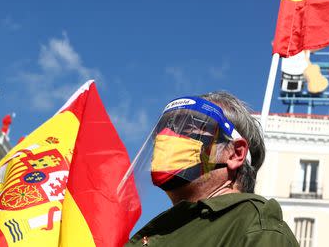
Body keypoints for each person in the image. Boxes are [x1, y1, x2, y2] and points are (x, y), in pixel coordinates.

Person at [125, 91, 299, 246]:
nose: (168, 137)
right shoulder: (165, 230)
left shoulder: (255, 229)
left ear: (235, 153)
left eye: (190, 127)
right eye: (167, 129)